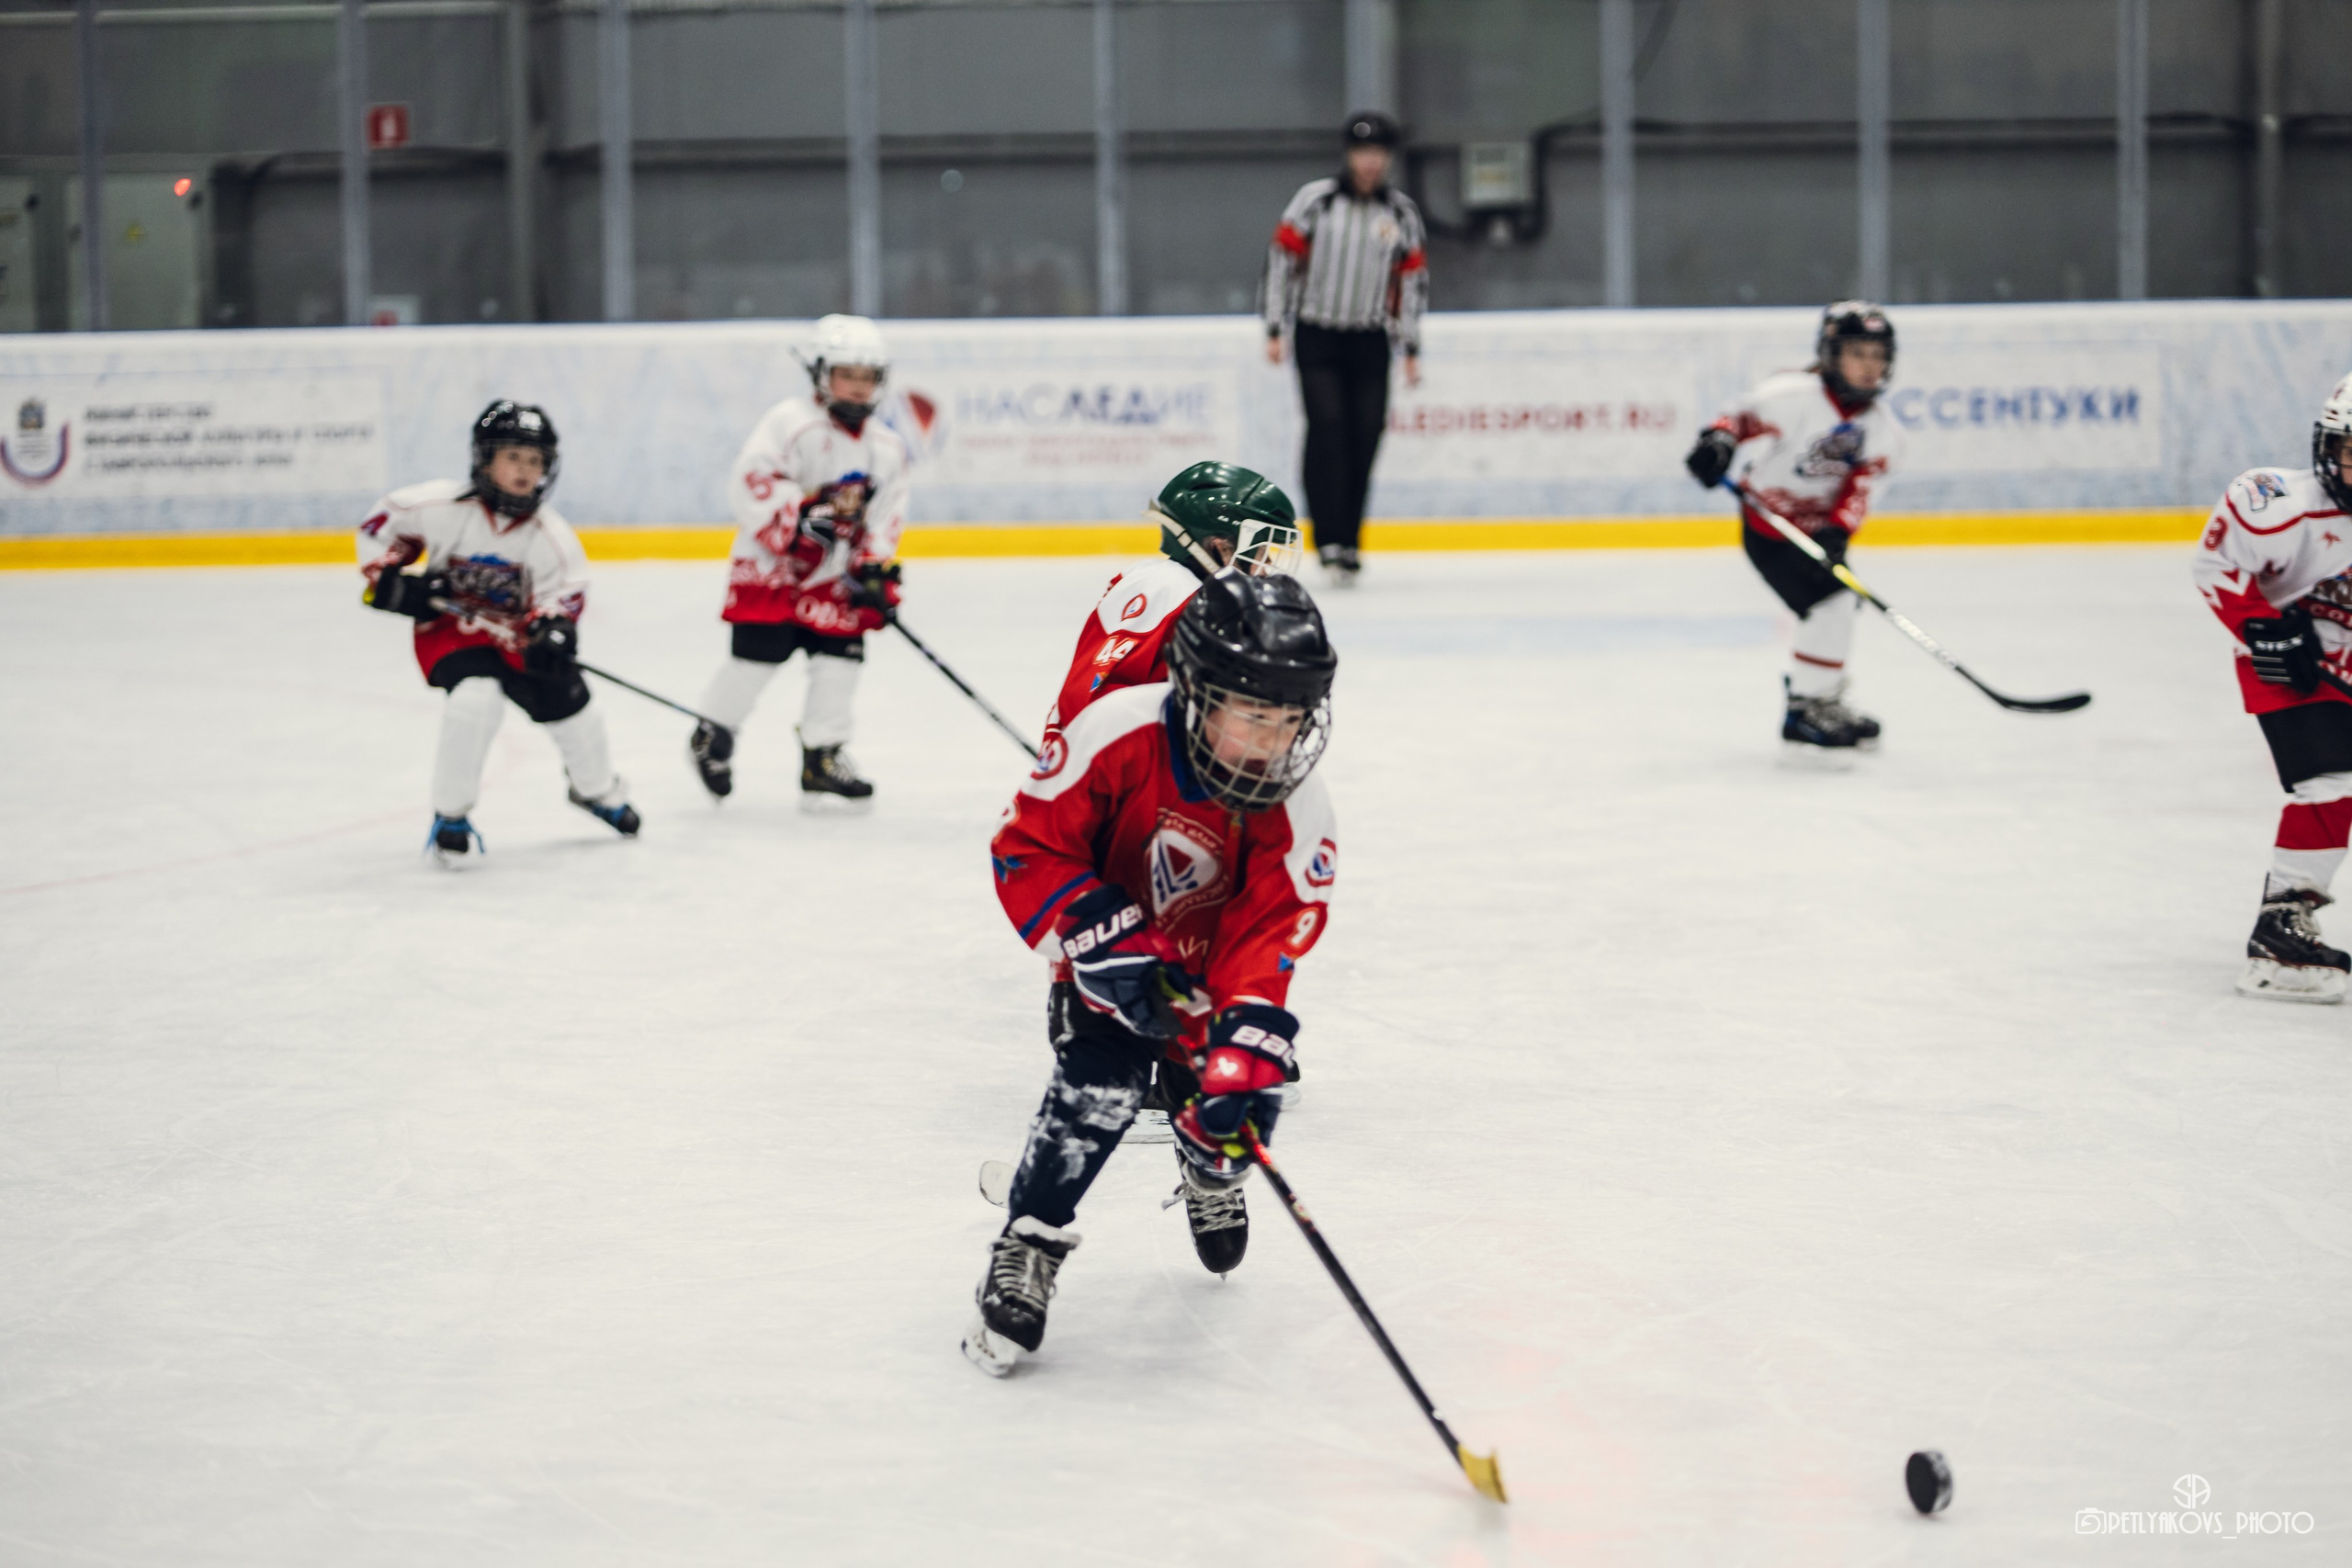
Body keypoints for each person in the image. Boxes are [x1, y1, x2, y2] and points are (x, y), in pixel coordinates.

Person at [963, 572, 1340, 1376]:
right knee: (1096, 1086)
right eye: (1252, 716)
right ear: (1197, 691)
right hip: (1109, 966)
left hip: (1208, 983)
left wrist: (1241, 1041)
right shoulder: (1116, 732)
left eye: (1288, 719)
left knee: (1227, 1107)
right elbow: (1028, 846)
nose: (1271, 741)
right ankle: (1029, 1239)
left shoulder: (1302, 808)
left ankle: (1210, 1172)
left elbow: (1268, 936)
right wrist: (1107, 936)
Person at [357, 400, 639, 861]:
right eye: (513, 458)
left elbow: (566, 593)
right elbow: (378, 526)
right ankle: (451, 814)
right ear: (484, 460)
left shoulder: (550, 535)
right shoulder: (440, 506)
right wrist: (388, 579)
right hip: (456, 632)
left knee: (578, 718)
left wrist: (555, 633)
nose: (525, 471)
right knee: (475, 699)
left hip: (520, 643)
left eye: (535, 461)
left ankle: (597, 790)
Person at [688, 313, 910, 807]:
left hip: (836, 576)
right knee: (755, 659)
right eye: (845, 375)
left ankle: (823, 754)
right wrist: (799, 515)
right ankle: (713, 734)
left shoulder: (888, 447)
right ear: (819, 375)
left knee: (841, 658)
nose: (857, 388)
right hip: (775, 569)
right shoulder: (789, 423)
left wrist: (875, 566)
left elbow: (887, 515)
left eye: (867, 377)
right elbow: (753, 481)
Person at [2191, 371, 2352, 1001]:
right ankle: (2280, 926)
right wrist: (2263, 626)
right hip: (2293, 666)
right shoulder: (2277, 505)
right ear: (2325, 447)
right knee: (2333, 783)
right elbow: (2215, 565)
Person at [1683, 300, 1903, 756]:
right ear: (1830, 353)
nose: (1869, 366)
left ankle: (1818, 696)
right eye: (1857, 354)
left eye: (1877, 356)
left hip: (1817, 535)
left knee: (1837, 604)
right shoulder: (1792, 395)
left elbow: (1860, 491)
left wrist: (1837, 534)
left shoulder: (1884, 433)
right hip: (1767, 528)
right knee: (1834, 603)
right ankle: (1808, 706)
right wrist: (1717, 443)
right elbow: (1736, 419)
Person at [1262, 110, 1427, 587]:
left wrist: (1411, 344)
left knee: (1365, 434)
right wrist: (1275, 325)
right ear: (1348, 155)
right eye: (1362, 152)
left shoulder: (1399, 214)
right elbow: (1281, 261)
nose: (1370, 162)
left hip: (1370, 338)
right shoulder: (1315, 202)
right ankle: (1327, 535)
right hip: (1318, 331)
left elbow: (1412, 281)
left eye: (1378, 153)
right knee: (1328, 427)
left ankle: (1350, 540)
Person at [1043, 460, 1305, 745]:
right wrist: (1087, 766)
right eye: (1260, 553)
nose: (1266, 568)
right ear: (1220, 547)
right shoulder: (1177, 596)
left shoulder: (1155, 579)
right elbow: (1092, 697)